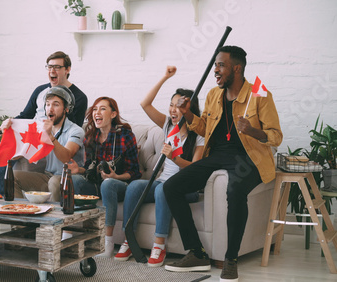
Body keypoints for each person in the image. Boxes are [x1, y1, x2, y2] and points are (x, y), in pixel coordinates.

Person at [163, 46, 283, 282]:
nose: (215, 70)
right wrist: (188, 114)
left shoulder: (260, 95)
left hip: (250, 158)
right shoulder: (213, 95)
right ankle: (197, 253)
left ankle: (231, 260)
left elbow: (276, 136)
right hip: (217, 156)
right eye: (215, 65)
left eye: (220, 65)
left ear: (236, 68)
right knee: (171, 187)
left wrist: (252, 131)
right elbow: (205, 129)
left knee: (235, 189)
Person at [114, 66, 205, 267]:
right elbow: (144, 104)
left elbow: (196, 170)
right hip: (162, 181)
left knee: (165, 189)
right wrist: (165, 77)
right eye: (171, 104)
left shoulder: (198, 134)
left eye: (179, 106)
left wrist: (174, 158)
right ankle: (129, 240)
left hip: (185, 188)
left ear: (189, 109)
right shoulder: (167, 126)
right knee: (136, 186)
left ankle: (159, 244)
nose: (173, 109)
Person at [0, 51, 87, 195]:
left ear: (67, 70)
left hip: (46, 138)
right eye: (49, 67)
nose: (52, 71)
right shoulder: (40, 91)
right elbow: (25, 115)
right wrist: (10, 122)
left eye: (57, 67)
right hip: (31, 134)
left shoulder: (79, 98)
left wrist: (48, 134)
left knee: (21, 151)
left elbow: (71, 128)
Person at [68, 97, 141, 258]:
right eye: (95, 109)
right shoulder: (90, 137)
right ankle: (67, 237)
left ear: (113, 114)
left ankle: (107, 242)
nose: (97, 113)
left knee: (108, 183)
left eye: (102, 109)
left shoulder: (126, 135)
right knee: (71, 180)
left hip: (120, 186)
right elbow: (89, 169)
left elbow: (135, 172)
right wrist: (78, 169)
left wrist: (116, 176)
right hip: (96, 185)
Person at [0, 86, 85, 201]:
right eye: (48, 104)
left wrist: (49, 136)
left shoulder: (76, 130)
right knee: (12, 177)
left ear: (67, 109)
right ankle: (22, 214)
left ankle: (55, 218)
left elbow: (66, 157)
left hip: (71, 177)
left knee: (54, 182)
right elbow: (18, 153)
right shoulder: (40, 128)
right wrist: (7, 133)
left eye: (56, 104)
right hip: (48, 176)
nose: (50, 109)